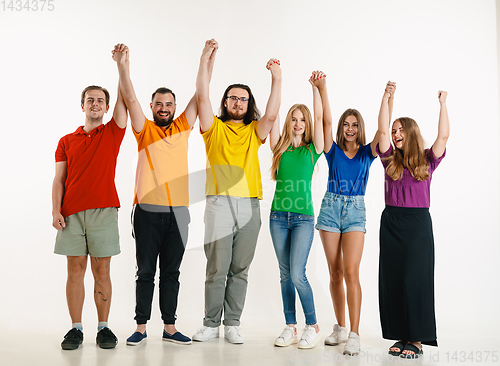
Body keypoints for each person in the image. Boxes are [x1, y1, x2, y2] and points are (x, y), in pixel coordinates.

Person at [112, 42, 216, 346]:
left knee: (171, 272)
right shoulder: (144, 130)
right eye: (159, 103)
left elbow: (202, 94)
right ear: (153, 106)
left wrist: (206, 59)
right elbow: (129, 98)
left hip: (178, 214)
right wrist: (122, 65)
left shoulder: (183, 126)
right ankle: (141, 327)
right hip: (146, 213)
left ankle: (169, 328)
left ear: (174, 107)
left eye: (169, 104)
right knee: (145, 272)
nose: (164, 108)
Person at [192, 40, 282, 344]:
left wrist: (277, 78)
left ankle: (232, 323)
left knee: (240, 268)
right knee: (217, 267)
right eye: (233, 98)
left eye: (243, 99)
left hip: (249, 205)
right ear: (226, 102)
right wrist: (205, 59)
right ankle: (209, 323)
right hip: (219, 202)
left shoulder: (254, 132)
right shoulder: (212, 128)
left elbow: (271, 116)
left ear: (249, 103)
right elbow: (202, 96)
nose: (238, 103)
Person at [315, 76, 394, 356]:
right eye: (346, 125)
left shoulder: (367, 153)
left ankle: (355, 333)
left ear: (360, 128)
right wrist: (322, 89)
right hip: (330, 209)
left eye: (355, 124)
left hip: (355, 211)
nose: (350, 129)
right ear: (341, 128)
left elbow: (384, 132)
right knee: (335, 273)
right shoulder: (332, 151)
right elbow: (324, 122)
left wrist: (387, 99)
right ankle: (339, 326)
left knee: (351, 272)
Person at [52, 80, 127, 350]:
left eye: (100, 101)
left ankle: (104, 327)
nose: (95, 104)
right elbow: (59, 179)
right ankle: (75, 329)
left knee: (102, 270)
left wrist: (122, 66)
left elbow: (124, 101)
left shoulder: (112, 133)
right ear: (82, 105)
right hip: (71, 214)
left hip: (104, 211)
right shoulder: (66, 141)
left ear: (107, 107)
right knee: (75, 271)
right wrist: (55, 210)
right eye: (90, 100)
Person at [377, 83, 449, 359]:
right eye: (394, 131)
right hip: (392, 222)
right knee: (393, 279)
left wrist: (443, 104)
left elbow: (444, 134)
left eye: (400, 130)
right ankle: (401, 335)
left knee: (415, 279)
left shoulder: (428, 160)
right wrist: (386, 97)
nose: (395, 134)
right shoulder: (389, 161)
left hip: (418, 224)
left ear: (411, 133)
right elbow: (381, 130)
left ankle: (416, 339)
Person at [268, 71, 324, 349]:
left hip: (302, 219)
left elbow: (320, 116)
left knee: (296, 274)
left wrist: (315, 88)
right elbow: (273, 113)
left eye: (302, 119)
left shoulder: (314, 149)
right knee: (284, 274)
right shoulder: (279, 148)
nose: (298, 123)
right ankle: (290, 326)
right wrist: (275, 78)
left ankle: (312, 325)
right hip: (278, 217)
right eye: (294, 119)